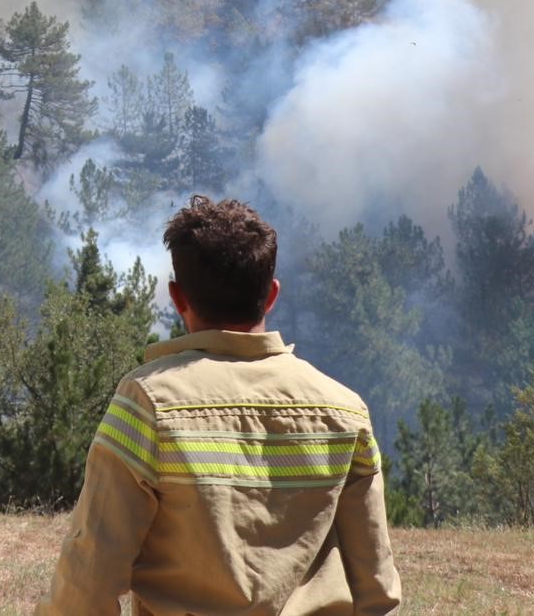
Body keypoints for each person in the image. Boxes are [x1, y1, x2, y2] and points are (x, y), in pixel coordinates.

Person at [35, 195, 402, 615]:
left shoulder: (147, 403)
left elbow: (89, 576)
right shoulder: (346, 411)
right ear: (271, 296)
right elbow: (377, 588)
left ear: (177, 297)